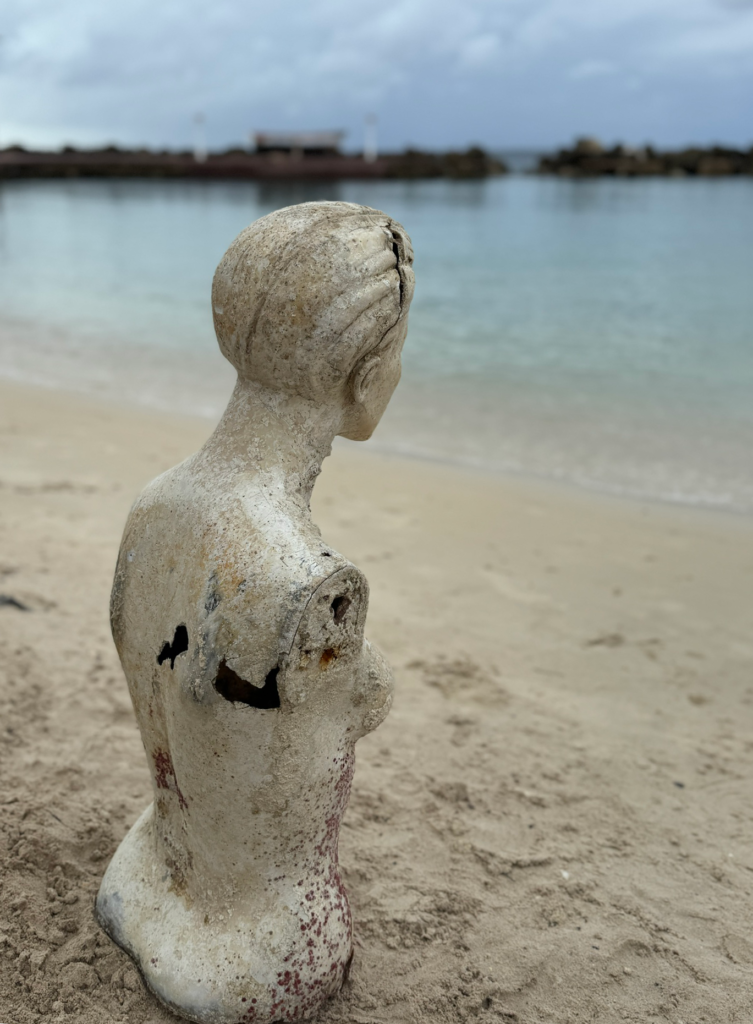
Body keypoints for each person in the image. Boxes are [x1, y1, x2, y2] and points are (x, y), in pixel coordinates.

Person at [97, 201, 414, 1024]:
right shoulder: (315, 586)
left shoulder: (153, 507)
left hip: (141, 875)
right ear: (364, 370)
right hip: (255, 954)